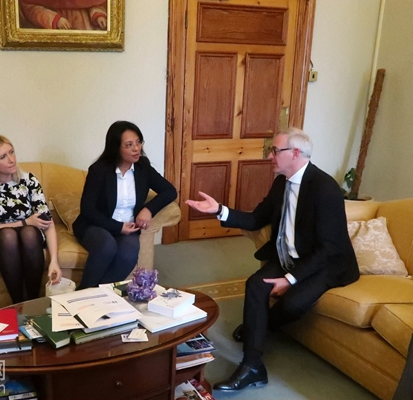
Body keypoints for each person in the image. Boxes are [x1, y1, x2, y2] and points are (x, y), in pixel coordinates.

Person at [186, 128, 359, 391]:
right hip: (289, 255)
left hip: (326, 263)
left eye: (275, 151)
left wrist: (290, 279)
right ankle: (253, 366)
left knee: (293, 304)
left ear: (296, 153)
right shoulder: (281, 183)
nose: (269, 156)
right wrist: (219, 210)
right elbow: (257, 218)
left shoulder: (325, 189)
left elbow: (330, 248)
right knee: (256, 285)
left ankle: (260, 325)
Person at [73, 121, 177, 289]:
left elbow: (170, 191)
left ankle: (101, 294)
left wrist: (148, 209)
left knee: (129, 254)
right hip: (97, 225)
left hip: (129, 227)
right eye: (129, 145)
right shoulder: (99, 170)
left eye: (138, 142)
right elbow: (88, 209)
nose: (136, 148)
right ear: (116, 148)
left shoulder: (143, 167)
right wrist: (118, 227)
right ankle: (84, 292)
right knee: (107, 246)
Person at [0, 134, 61, 304]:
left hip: (30, 236)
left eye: (11, 152)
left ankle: (33, 302)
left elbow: (47, 222)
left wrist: (54, 261)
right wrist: (24, 222)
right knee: (9, 235)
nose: (11, 160)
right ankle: (18, 303)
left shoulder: (28, 180)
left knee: (29, 233)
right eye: (3, 157)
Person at [19, 0, 107, 30]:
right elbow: (31, 9)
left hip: (84, 26)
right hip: (55, 31)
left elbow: (95, 3)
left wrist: (98, 14)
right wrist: (55, 19)